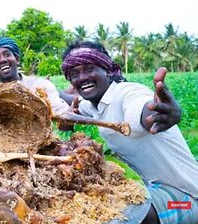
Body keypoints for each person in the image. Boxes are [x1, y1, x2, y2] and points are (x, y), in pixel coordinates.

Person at [61, 40, 198, 224]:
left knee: (122, 212)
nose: (82, 77)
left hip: (187, 199)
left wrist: (158, 112)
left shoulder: (126, 93)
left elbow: (141, 108)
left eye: (89, 68)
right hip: (150, 186)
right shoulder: (93, 104)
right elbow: (72, 100)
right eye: (74, 74)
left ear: (107, 70)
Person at [0, 37, 69, 115]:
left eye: (7, 54)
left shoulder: (41, 86)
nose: (3, 60)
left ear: (17, 59)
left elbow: (60, 112)